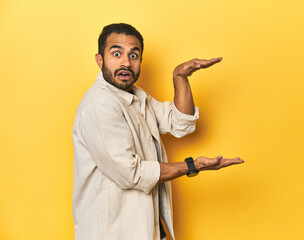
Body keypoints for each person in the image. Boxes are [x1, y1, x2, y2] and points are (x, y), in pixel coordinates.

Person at [72, 23, 244, 240]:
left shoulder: (136, 97)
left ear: (140, 61)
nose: (126, 62)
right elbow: (131, 174)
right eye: (117, 53)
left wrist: (180, 78)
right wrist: (193, 165)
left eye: (134, 55)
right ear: (100, 59)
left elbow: (179, 123)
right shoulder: (99, 106)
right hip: (113, 232)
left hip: (145, 226)